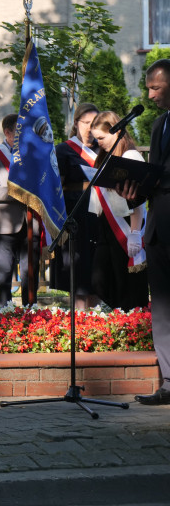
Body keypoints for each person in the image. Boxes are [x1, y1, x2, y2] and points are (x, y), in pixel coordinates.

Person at [132, 59, 170, 404]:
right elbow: (156, 172)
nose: (150, 94)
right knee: (161, 307)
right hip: (159, 228)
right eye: (148, 88)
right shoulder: (159, 125)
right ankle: (169, 381)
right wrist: (134, 189)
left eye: (155, 87)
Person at [88, 110, 148, 312]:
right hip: (106, 226)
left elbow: (138, 199)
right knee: (100, 280)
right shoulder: (105, 157)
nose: (99, 143)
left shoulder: (130, 156)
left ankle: (131, 322)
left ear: (117, 132)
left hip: (125, 226)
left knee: (125, 283)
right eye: (96, 139)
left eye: (102, 138)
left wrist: (134, 233)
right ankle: (119, 317)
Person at [0, 114, 36, 306]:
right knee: (3, 278)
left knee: (30, 278)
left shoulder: (33, 155)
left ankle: (33, 318)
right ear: (8, 132)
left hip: (32, 224)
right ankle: (2, 321)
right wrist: (18, 193)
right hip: (5, 225)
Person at [54, 102, 100, 308]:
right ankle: (80, 320)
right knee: (80, 273)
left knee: (98, 272)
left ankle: (97, 321)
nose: (90, 128)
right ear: (76, 123)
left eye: (95, 123)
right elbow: (57, 188)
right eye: (86, 122)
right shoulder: (64, 150)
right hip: (77, 217)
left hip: (100, 217)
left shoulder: (105, 148)